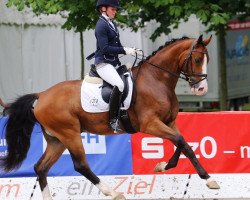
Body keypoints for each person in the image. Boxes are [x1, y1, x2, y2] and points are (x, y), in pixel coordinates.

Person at [92, 0, 142, 132]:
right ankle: (113, 120)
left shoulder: (112, 24)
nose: (115, 11)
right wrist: (124, 50)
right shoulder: (101, 25)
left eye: (116, 9)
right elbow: (105, 48)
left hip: (113, 63)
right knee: (119, 85)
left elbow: (117, 46)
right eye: (113, 9)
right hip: (103, 63)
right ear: (103, 9)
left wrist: (130, 49)